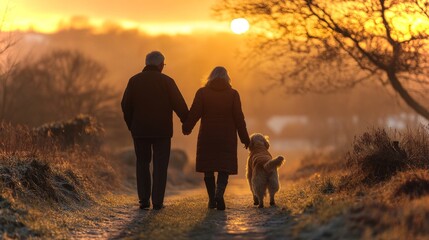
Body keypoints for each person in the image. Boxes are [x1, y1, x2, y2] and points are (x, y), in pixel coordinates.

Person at [121, 51, 188, 210]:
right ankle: (157, 201)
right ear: (160, 65)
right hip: (162, 132)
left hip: (140, 131)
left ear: (146, 63)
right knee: (160, 166)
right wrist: (186, 122)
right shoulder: (167, 81)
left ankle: (144, 200)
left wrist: (132, 125)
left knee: (142, 164)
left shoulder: (134, 81)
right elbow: (179, 105)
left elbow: (125, 105)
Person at [182, 66, 250, 211]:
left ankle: (212, 199)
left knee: (209, 168)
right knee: (224, 167)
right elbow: (239, 118)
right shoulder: (233, 94)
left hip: (208, 136)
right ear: (227, 78)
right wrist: (245, 139)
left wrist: (187, 128)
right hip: (227, 137)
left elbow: (194, 113)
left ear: (210, 77)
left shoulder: (202, 93)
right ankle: (219, 194)